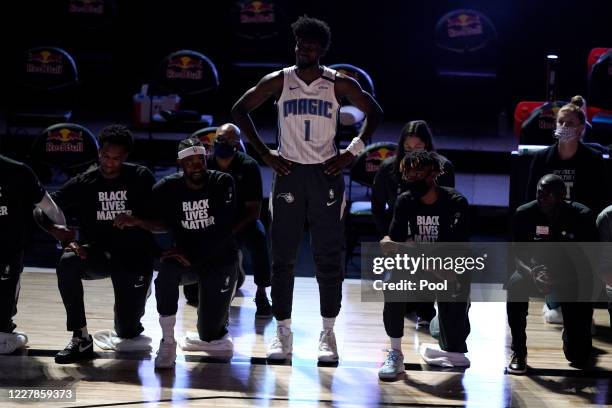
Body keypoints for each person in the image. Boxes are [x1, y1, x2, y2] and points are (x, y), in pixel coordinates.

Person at [231, 15, 383, 362]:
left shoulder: (339, 84)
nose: (305, 50)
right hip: (288, 172)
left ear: (323, 50)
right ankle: (282, 333)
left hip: (326, 174)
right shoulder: (279, 81)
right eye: (301, 44)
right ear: (295, 46)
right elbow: (239, 110)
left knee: (328, 257)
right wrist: (264, 153)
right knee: (281, 256)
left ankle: (328, 333)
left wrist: (352, 153)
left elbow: (375, 112)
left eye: (311, 46)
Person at [35, 125, 157, 364]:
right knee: (68, 262)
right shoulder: (85, 181)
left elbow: (164, 220)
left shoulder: (141, 177)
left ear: (126, 157)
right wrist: (55, 230)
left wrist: (138, 220)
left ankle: (139, 295)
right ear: (99, 152)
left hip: (135, 256)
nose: (109, 163)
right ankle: (80, 337)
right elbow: (42, 207)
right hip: (99, 254)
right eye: (105, 156)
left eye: (116, 158)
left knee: (127, 331)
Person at [116, 138, 238, 369]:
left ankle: (219, 315)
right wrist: (139, 223)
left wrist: (193, 255)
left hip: (220, 258)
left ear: (206, 160)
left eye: (200, 160)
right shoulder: (167, 187)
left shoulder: (223, 181)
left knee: (210, 335)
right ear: (179, 163)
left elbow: (223, 230)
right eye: (189, 161)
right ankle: (168, 341)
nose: (196, 165)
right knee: (166, 273)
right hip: (186, 257)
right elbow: (155, 221)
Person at [378, 150, 471, 380]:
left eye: (418, 173)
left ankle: (444, 321)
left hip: (448, 273)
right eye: (407, 174)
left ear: (434, 174)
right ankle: (396, 353)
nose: (412, 178)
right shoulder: (405, 201)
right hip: (419, 268)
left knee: (454, 349)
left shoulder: (456, 202)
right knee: (391, 283)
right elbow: (391, 244)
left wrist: (407, 248)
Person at [525, 100, 609, 323]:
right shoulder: (542, 159)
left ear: (581, 128)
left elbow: (601, 202)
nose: (564, 126)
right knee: (555, 313)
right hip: (549, 230)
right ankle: (554, 300)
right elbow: (530, 202)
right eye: (560, 122)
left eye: (570, 122)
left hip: (581, 230)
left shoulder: (592, 159)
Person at [507, 174, 596, 374]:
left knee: (579, 357)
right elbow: (517, 256)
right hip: (535, 272)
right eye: (539, 192)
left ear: (562, 196)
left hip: (572, 277)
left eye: (549, 194)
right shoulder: (524, 214)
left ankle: (572, 332)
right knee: (515, 284)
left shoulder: (582, 216)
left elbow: (587, 264)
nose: (542, 197)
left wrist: (557, 279)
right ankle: (518, 351)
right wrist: (533, 274)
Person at [183, 123, 272, 318]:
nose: (224, 144)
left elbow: (254, 211)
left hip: (241, 221)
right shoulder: (205, 164)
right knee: (191, 296)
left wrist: (229, 231)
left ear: (238, 144)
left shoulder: (249, 166)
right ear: (214, 142)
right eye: (220, 140)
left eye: (230, 141)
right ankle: (203, 276)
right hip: (211, 221)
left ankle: (262, 293)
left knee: (258, 235)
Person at [372, 120, 455, 328]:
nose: (412, 154)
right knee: (396, 291)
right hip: (399, 236)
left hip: (430, 235)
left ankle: (427, 311)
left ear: (427, 146)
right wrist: (389, 237)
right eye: (408, 148)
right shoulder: (389, 168)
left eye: (418, 148)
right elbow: (377, 207)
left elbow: (448, 211)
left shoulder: (443, 168)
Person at [0, 154, 66, 354]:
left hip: (7, 252)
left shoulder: (17, 171)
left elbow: (48, 206)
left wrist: (65, 239)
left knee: (2, 337)